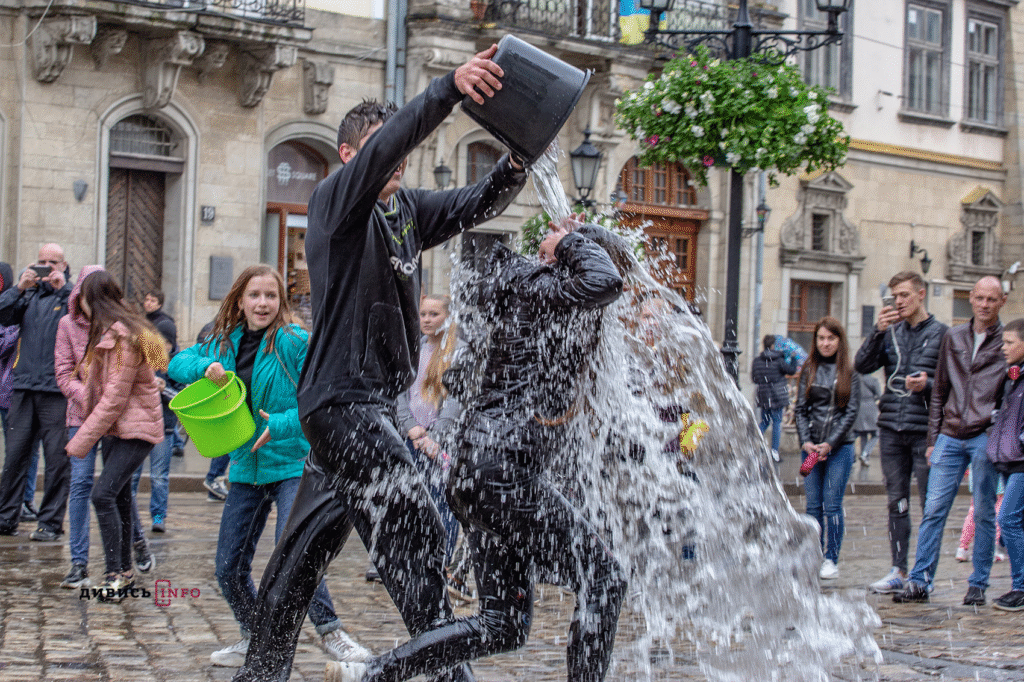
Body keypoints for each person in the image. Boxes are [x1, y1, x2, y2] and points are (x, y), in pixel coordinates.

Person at [231, 44, 527, 682]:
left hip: (366, 408)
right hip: (340, 403)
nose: (394, 159)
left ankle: (260, 672)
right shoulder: (336, 203)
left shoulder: (406, 211)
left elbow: (477, 203)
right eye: (378, 149)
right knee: (413, 521)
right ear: (350, 157)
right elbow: (392, 140)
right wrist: (448, 87)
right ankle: (445, 670)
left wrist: (517, 165)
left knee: (301, 553)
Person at [326, 216, 627, 682]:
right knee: (605, 580)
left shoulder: (528, 298)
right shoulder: (541, 285)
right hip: (502, 471)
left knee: (502, 624)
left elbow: (459, 378)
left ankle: (372, 674)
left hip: (477, 472)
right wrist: (569, 242)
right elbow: (604, 281)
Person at [168, 265, 370, 667]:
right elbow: (176, 363)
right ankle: (255, 636)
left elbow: (324, 396)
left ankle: (332, 633)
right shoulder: (223, 342)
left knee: (296, 554)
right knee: (228, 567)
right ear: (240, 300)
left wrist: (278, 424)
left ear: (281, 301)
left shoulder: (293, 340)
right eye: (255, 295)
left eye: (271, 296)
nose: (263, 303)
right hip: (245, 466)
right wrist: (203, 368)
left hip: (294, 464)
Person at [893, 276, 1006, 605]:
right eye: (979, 298)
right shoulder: (954, 336)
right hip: (950, 435)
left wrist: (995, 428)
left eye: (991, 299)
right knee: (933, 509)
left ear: (1001, 302)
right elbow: (940, 390)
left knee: (985, 511)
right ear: (971, 298)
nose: (984, 305)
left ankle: (978, 583)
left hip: (985, 435)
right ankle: (919, 581)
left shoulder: (1007, 342)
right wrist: (933, 437)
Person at [63, 270, 167, 602]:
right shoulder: (109, 334)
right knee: (118, 497)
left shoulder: (124, 339)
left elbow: (113, 400)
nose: (80, 307)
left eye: (83, 300)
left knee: (102, 495)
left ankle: (115, 574)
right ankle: (122, 573)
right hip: (117, 429)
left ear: (93, 301)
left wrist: (81, 440)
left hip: (136, 428)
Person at [855, 271, 947, 594]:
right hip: (892, 428)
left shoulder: (942, 335)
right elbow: (861, 365)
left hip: (925, 432)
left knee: (929, 505)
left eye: (905, 295)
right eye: (895, 297)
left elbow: (952, 387)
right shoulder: (890, 332)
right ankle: (898, 569)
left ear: (921, 294)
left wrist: (928, 385)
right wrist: (876, 332)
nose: (899, 302)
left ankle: (923, 576)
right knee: (898, 502)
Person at [0, 244, 74, 539]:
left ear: (64, 265)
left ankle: (50, 523)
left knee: (57, 460)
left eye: (52, 262)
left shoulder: (72, 297)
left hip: (56, 392)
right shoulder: (27, 295)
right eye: (42, 261)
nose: (47, 267)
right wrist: (18, 288)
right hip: (24, 388)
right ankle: (6, 519)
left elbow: (84, 323)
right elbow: (3, 316)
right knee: (15, 457)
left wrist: (64, 290)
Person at [395, 294, 464, 567]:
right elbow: (400, 394)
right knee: (409, 498)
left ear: (447, 317)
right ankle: (410, 556)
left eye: (433, 314)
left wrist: (434, 438)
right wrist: (410, 428)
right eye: (423, 314)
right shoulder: (414, 350)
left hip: (438, 444)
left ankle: (442, 560)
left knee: (441, 501)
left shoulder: (455, 354)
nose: (426, 319)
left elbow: (455, 401)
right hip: (411, 437)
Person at [794, 317, 861, 581]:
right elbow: (800, 408)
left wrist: (830, 442)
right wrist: (805, 440)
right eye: (821, 338)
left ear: (839, 341)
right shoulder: (809, 368)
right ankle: (814, 555)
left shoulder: (849, 372)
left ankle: (831, 558)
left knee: (832, 504)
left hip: (839, 447)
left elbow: (850, 412)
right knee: (812, 506)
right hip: (811, 446)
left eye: (830, 338)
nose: (825, 343)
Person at [132, 289, 180, 532]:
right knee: (132, 475)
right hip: (140, 425)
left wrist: (164, 390)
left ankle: (158, 516)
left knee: (159, 476)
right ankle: (129, 515)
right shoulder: (143, 360)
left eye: (167, 343)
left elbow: (182, 398)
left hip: (166, 426)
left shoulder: (177, 366)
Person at [991, 318, 1024, 611]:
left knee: (1009, 519)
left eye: (1010, 342)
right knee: (1014, 521)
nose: (1004, 348)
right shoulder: (1012, 376)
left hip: (1021, 462)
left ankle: (1021, 587)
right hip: (1009, 459)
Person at [751, 334, 797, 462]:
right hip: (777, 396)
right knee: (777, 422)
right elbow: (791, 371)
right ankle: (774, 452)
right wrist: (793, 359)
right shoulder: (778, 360)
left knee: (765, 421)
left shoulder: (757, 361)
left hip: (764, 396)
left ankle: (751, 444)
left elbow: (754, 378)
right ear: (772, 346)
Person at [853, 373, 881, 481]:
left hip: (859, 408)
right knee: (875, 434)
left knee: (863, 434)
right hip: (870, 407)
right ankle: (865, 454)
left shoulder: (856, 379)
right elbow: (879, 394)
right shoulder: (873, 380)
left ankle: (864, 456)